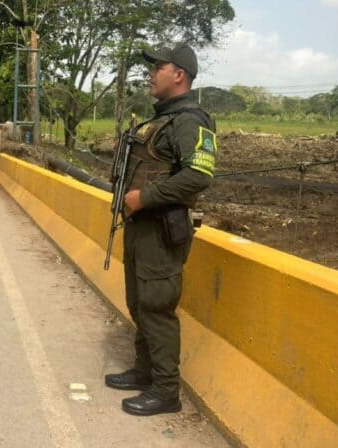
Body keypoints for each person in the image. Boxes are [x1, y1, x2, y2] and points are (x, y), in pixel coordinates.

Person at [104, 43, 217, 416]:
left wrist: (145, 197)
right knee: (139, 303)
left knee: (157, 307)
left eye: (158, 67)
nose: (150, 73)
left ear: (179, 75)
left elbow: (198, 176)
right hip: (142, 228)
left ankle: (166, 391)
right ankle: (144, 371)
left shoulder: (191, 120)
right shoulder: (160, 119)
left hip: (162, 230)